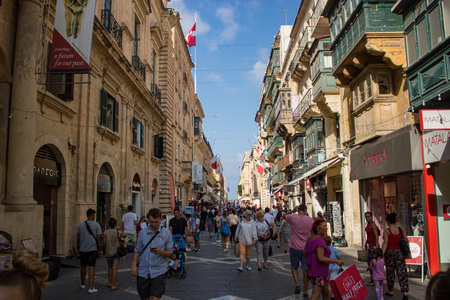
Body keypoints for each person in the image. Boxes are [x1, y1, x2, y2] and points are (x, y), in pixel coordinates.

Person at [131, 208, 173, 300]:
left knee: (155, 298)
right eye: (151, 222)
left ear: (161, 219)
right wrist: (134, 264)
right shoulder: (143, 233)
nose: (153, 224)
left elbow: (170, 253)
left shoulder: (166, 233)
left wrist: (160, 252)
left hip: (159, 271)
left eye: (156, 222)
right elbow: (137, 249)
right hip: (143, 271)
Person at [305, 219, 344, 300]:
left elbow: (304, 253)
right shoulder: (319, 240)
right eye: (324, 226)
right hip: (319, 272)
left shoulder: (310, 239)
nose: (326, 228)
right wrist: (336, 261)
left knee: (326, 294)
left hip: (315, 271)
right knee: (315, 295)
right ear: (318, 229)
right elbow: (321, 258)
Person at [284, 204, 314, 296]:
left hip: (294, 246)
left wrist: (292, 211)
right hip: (306, 248)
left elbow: (284, 216)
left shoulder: (293, 218)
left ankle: (297, 284)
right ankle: (305, 290)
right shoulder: (310, 220)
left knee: (294, 267)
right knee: (305, 269)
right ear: (305, 210)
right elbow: (312, 233)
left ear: (298, 210)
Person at [382, 212, 409, 299]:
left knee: (390, 273)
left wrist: (382, 255)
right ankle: (405, 292)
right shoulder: (401, 230)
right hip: (399, 253)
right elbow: (406, 240)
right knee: (402, 272)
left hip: (390, 254)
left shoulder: (387, 231)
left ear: (388, 221)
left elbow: (385, 243)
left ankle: (390, 290)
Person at [76, 208, 103, 294]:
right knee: (92, 267)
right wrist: (100, 249)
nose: (95, 216)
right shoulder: (96, 225)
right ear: (92, 215)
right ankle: (91, 287)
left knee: (83, 266)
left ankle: (82, 283)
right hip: (92, 249)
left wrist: (78, 248)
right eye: (94, 215)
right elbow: (98, 239)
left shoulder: (80, 225)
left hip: (83, 249)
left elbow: (78, 238)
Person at [103, 217, 127, 290]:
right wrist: (119, 229)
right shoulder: (117, 232)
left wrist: (103, 250)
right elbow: (125, 235)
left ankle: (110, 283)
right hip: (116, 251)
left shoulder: (105, 232)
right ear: (115, 224)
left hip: (108, 251)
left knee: (110, 267)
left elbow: (104, 243)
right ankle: (113, 284)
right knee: (115, 268)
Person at [364, 211, 380, 286]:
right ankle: (373, 278)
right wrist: (366, 243)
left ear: (371, 217)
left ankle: (374, 279)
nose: (367, 218)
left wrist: (376, 246)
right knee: (370, 261)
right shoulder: (368, 224)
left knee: (372, 262)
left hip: (373, 245)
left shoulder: (372, 224)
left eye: (368, 217)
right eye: (366, 217)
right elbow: (368, 235)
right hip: (370, 244)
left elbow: (376, 235)